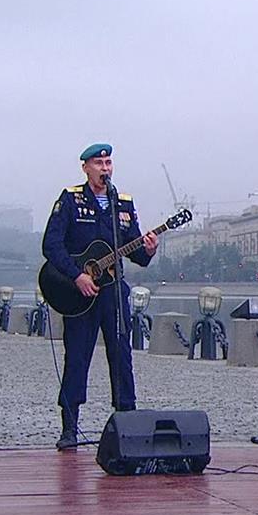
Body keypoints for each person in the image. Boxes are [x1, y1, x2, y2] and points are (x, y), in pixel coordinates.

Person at [42, 144, 158, 450]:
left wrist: (148, 249)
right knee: (77, 357)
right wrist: (76, 275)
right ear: (85, 168)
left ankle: (126, 420)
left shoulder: (123, 203)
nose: (105, 168)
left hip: (113, 290)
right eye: (98, 163)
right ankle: (70, 426)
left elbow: (135, 252)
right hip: (79, 291)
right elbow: (51, 245)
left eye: (108, 163)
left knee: (121, 354)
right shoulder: (70, 200)